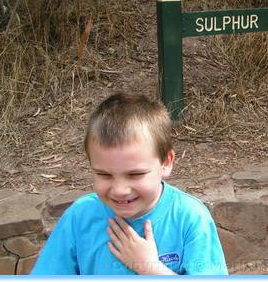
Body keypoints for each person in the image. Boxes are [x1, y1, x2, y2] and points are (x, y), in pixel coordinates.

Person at [31, 93, 228, 275]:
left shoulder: (190, 217)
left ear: (166, 163)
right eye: (104, 174)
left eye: (135, 174)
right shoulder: (79, 217)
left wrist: (150, 269)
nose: (119, 190)